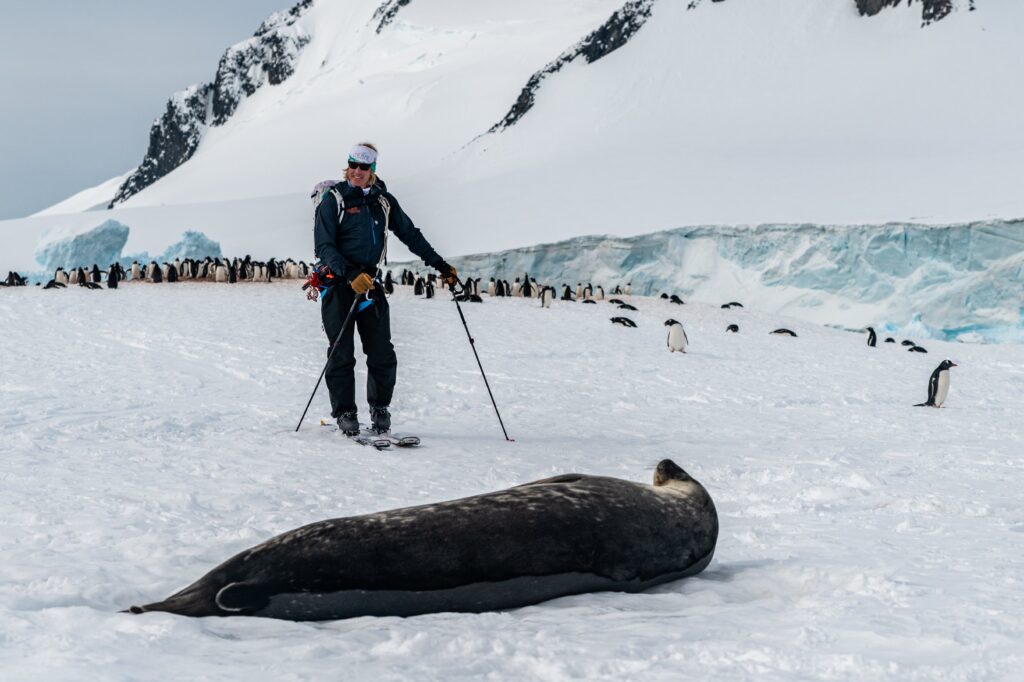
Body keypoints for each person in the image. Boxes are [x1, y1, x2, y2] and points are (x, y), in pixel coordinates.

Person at [314, 142, 457, 435]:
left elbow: (410, 235)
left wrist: (440, 265)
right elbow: (324, 246)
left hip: (370, 285)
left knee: (381, 352)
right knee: (341, 352)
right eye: (353, 165)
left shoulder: (383, 202)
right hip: (339, 284)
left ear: (373, 170)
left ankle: (380, 407)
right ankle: (345, 412)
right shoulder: (334, 199)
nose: (357, 171)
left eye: (363, 167)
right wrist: (349, 272)